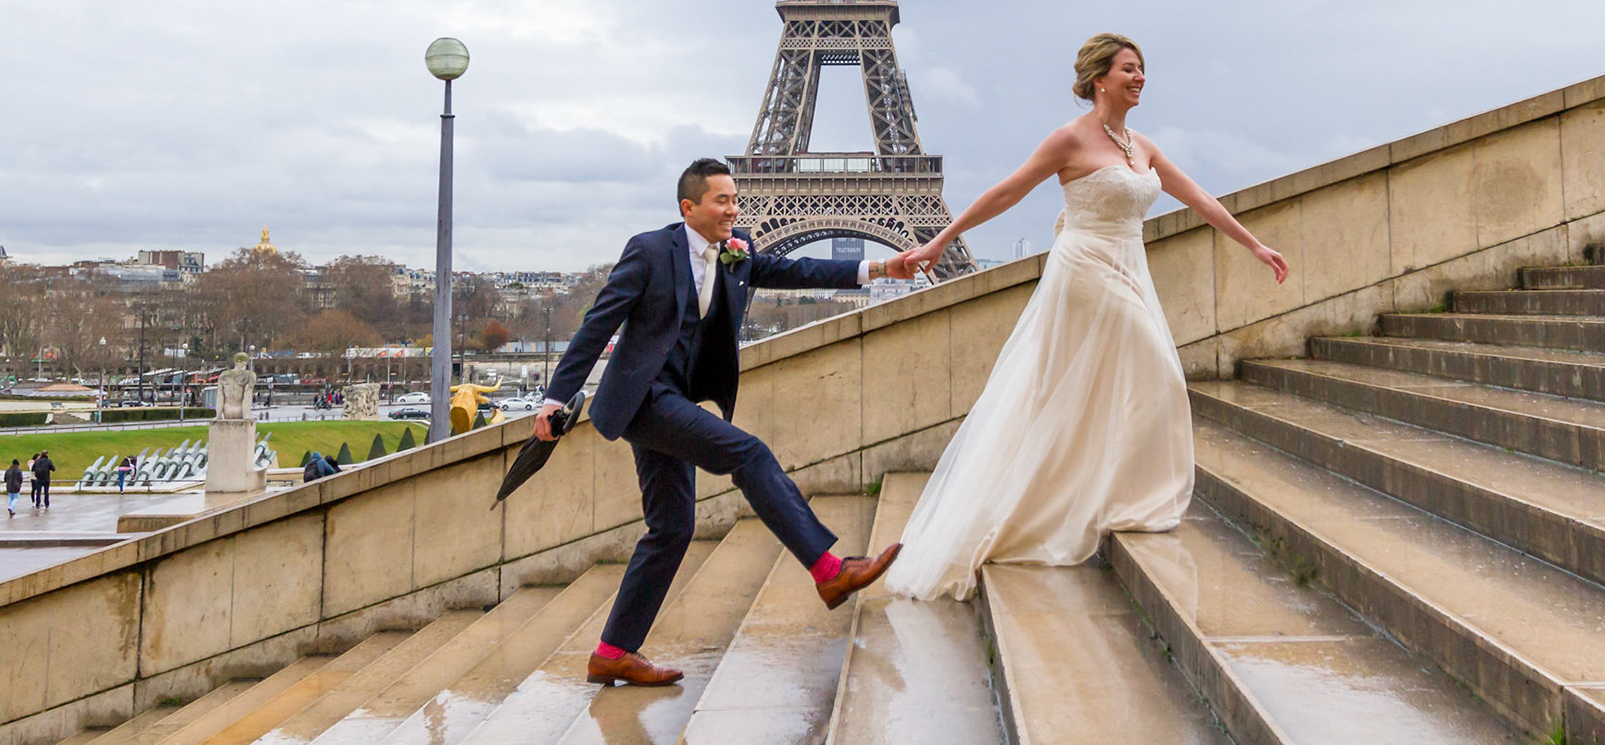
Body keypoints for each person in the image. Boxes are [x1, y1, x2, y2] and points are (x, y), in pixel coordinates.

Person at [888, 34, 1290, 600]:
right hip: (1084, 267)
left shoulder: (1141, 145)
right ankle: (1129, 499)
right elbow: (1007, 194)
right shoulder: (1069, 139)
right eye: (1130, 69)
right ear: (1100, 78)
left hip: (1129, 265)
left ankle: (1116, 494)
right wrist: (939, 241)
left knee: (1114, 384)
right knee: (1158, 369)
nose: (1140, 77)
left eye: (1143, 69)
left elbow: (1196, 196)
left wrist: (1254, 246)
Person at [533, 158, 918, 687]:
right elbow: (599, 323)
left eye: (736, 200)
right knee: (750, 454)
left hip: (676, 401)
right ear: (689, 207)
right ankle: (830, 572)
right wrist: (556, 397)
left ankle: (612, 650)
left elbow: (797, 272)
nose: (734, 209)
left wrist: (878, 268)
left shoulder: (738, 253)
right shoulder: (649, 250)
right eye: (722, 201)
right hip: (642, 398)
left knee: (672, 528)